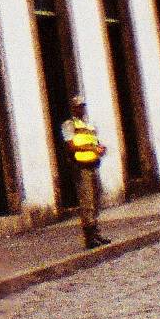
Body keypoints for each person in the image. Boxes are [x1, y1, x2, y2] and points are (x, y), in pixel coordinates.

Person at [61, 97, 109, 249]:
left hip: (94, 164)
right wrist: (91, 149)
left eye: (82, 106)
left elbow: (95, 142)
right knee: (87, 200)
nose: (81, 109)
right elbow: (71, 146)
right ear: (73, 108)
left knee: (96, 199)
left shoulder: (89, 125)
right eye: (78, 106)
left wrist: (100, 148)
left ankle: (96, 232)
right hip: (81, 166)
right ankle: (89, 237)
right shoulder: (69, 125)